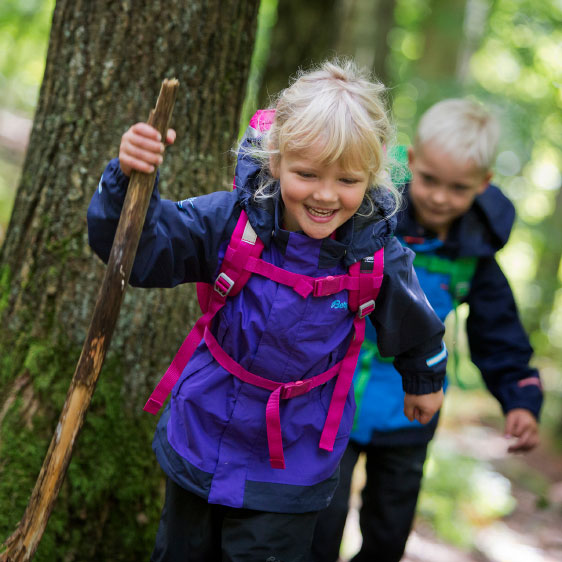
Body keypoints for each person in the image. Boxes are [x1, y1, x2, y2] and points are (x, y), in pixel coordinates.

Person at [87, 60, 448, 562]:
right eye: (306, 174)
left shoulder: (377, 256)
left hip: (295, 455)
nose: (325, 195)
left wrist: (425, 381)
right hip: (204, 427)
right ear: (276, 161)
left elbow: (416, 325)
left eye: (347, 179)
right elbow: (141, 251)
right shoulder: (231, 221)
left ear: (372, 176)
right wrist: (126, 182)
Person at [311, 98, 543, 562]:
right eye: (430, 179)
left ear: (484, 183)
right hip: (331, 401)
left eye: (459, 188)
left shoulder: (475, 255)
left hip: (411, 410)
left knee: (387, 534)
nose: (440, 197)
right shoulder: (368, 218)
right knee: (317, 525)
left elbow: (498, 333)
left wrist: (520, 396)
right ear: (410, 161)